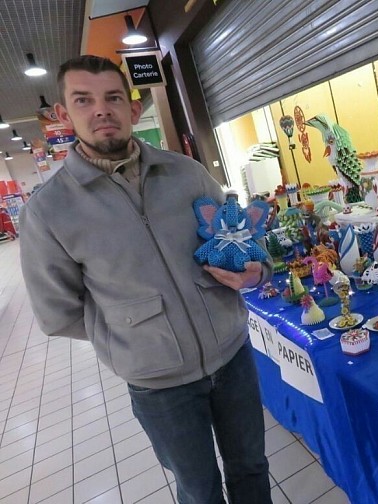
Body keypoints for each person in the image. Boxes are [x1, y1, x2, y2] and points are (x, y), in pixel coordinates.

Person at [19, 55, 273, 504]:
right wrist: (134, 333)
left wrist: (256, 272)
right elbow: (57, 313)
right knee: (199, 490)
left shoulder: (187, 173)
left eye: (113, 97)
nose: (102, 110)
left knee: (251, 468)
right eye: (84, 100)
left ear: (133, 109)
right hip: (160, 386)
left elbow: (245, 242)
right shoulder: (50, 210)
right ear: (63, 115)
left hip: (232, 358)